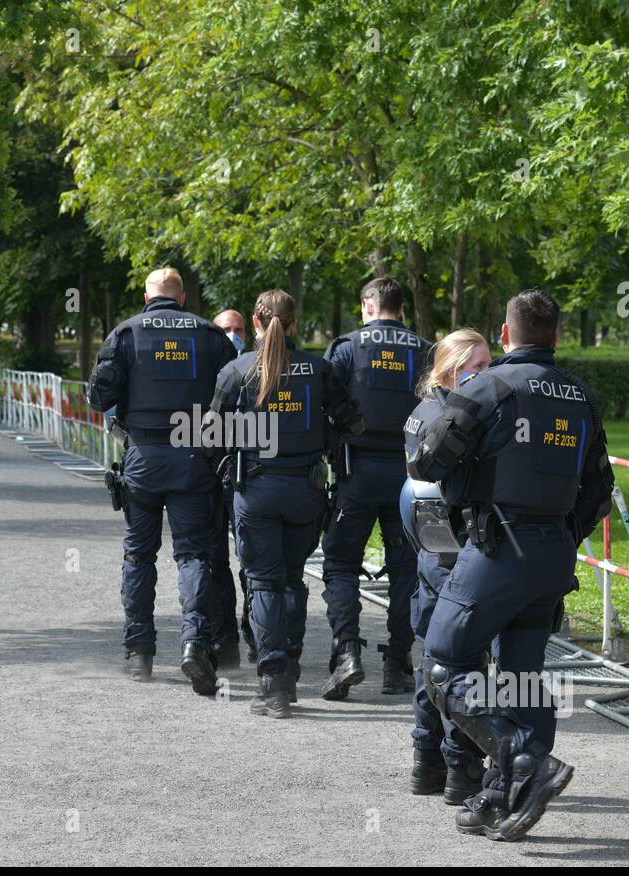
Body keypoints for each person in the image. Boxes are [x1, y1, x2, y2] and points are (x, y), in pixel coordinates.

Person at [407, 289, 614, 841]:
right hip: (553, 553)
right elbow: (600, 487)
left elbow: (427, 459)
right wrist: (562, 533)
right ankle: (504, 795)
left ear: (504, 334)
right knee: (523, 677)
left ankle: (526, 761)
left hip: (498, 548)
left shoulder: (489, 387)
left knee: (445, 660)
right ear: (556, 337)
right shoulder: (580, 396)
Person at [210, 290, 364, 717]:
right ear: (294, 324)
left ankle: (274, 682)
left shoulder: (237, 370)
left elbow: (211, 433)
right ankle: (289, 671)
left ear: (256, 325)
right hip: (306, 488)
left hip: (256, 488)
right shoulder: (319, 369)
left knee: (264, 582)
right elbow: (352, 422)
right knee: (292, 579)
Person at [87, 267, 237, 693]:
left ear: (146, 296)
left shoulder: (125, 334)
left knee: (139, 556)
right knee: (193, 556)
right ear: (183, 297)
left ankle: (140, 654)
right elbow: (232, 398)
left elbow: (100, 398)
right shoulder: (211, 336)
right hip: (194, 458)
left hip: (143, 460)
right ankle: (195, 643)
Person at [319, 277, 430, 700]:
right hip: (410, 476)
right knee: (407, 570)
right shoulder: (423, 350)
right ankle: (396, 661)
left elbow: (329, 408)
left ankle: (346, 653)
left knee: (341, 564)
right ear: (401, 309)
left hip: (356, 473)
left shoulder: (346, 347)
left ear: (367, 306)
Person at [400, 328, 490, 801]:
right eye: (478, 366)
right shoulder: (457, 418)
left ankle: (427, 762)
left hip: (430, 551)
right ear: (453, 369)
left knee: (432, 662)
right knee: (463, 663)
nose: (486, 375)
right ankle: (461, 768)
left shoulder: (420, 412)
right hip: (459, 552)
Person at [206, 308, 254, 669]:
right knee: (215, 561)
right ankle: (225, 640)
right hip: (213, 474)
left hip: (250, 477)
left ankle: (256, 632)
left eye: (238, 329)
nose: (233, 335)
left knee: (253, 561)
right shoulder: (209, 367)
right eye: (226, 329)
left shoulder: (257, 368)